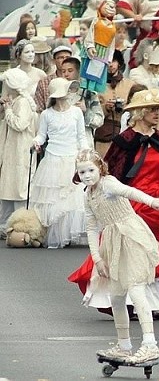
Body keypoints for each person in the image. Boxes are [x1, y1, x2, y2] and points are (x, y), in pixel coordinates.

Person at [69, 88, 159, 316]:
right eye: (152, 109)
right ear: (140, 113)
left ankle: (154, 302)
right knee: (129, 253)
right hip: (132, 201)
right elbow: (109, 172)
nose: (157, 114)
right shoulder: (124, 141)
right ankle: (128, 302)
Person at [76, 149, 159, 364]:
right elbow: (91, 227)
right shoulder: (88, 195)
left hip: (130, 236)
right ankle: (124, 344)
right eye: (82, 173)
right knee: (116, 297)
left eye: (91, 170)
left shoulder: (108, 184)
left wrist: (153, 202)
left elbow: (129, 192)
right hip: (112, 242)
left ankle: (150, 344)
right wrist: (97, 258)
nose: (87, 175)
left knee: (136, 289)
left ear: (100, 168)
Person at [31, 78, 89, 248]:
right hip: (52, 159)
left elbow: (81, 136)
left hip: (72, 158)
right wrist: (36, 142)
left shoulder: (76, 112)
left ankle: (69, 233)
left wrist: (85, 151)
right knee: (52, 198)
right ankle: (53, 233)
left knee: (73, 197)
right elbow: (42, 135)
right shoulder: (46, 114)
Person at [0, 69, 38, 237]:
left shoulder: (22, 102)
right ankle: (6, 224)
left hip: (21, 150)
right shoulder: (16, 101)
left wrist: (8, 110)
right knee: (10, 185)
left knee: (19, 186)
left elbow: (20, 124)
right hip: (12, 150)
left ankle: (18, 225)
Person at [94, 50, 135, 156]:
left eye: (113, 61)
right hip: (104, 134)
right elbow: (92, 113)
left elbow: (136, 107)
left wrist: (125, 108)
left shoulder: (130, 84)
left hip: (126, 132)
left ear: (119, 63)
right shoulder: (96, 86)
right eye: (107, 61)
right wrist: (106, 108)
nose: (110, 64)